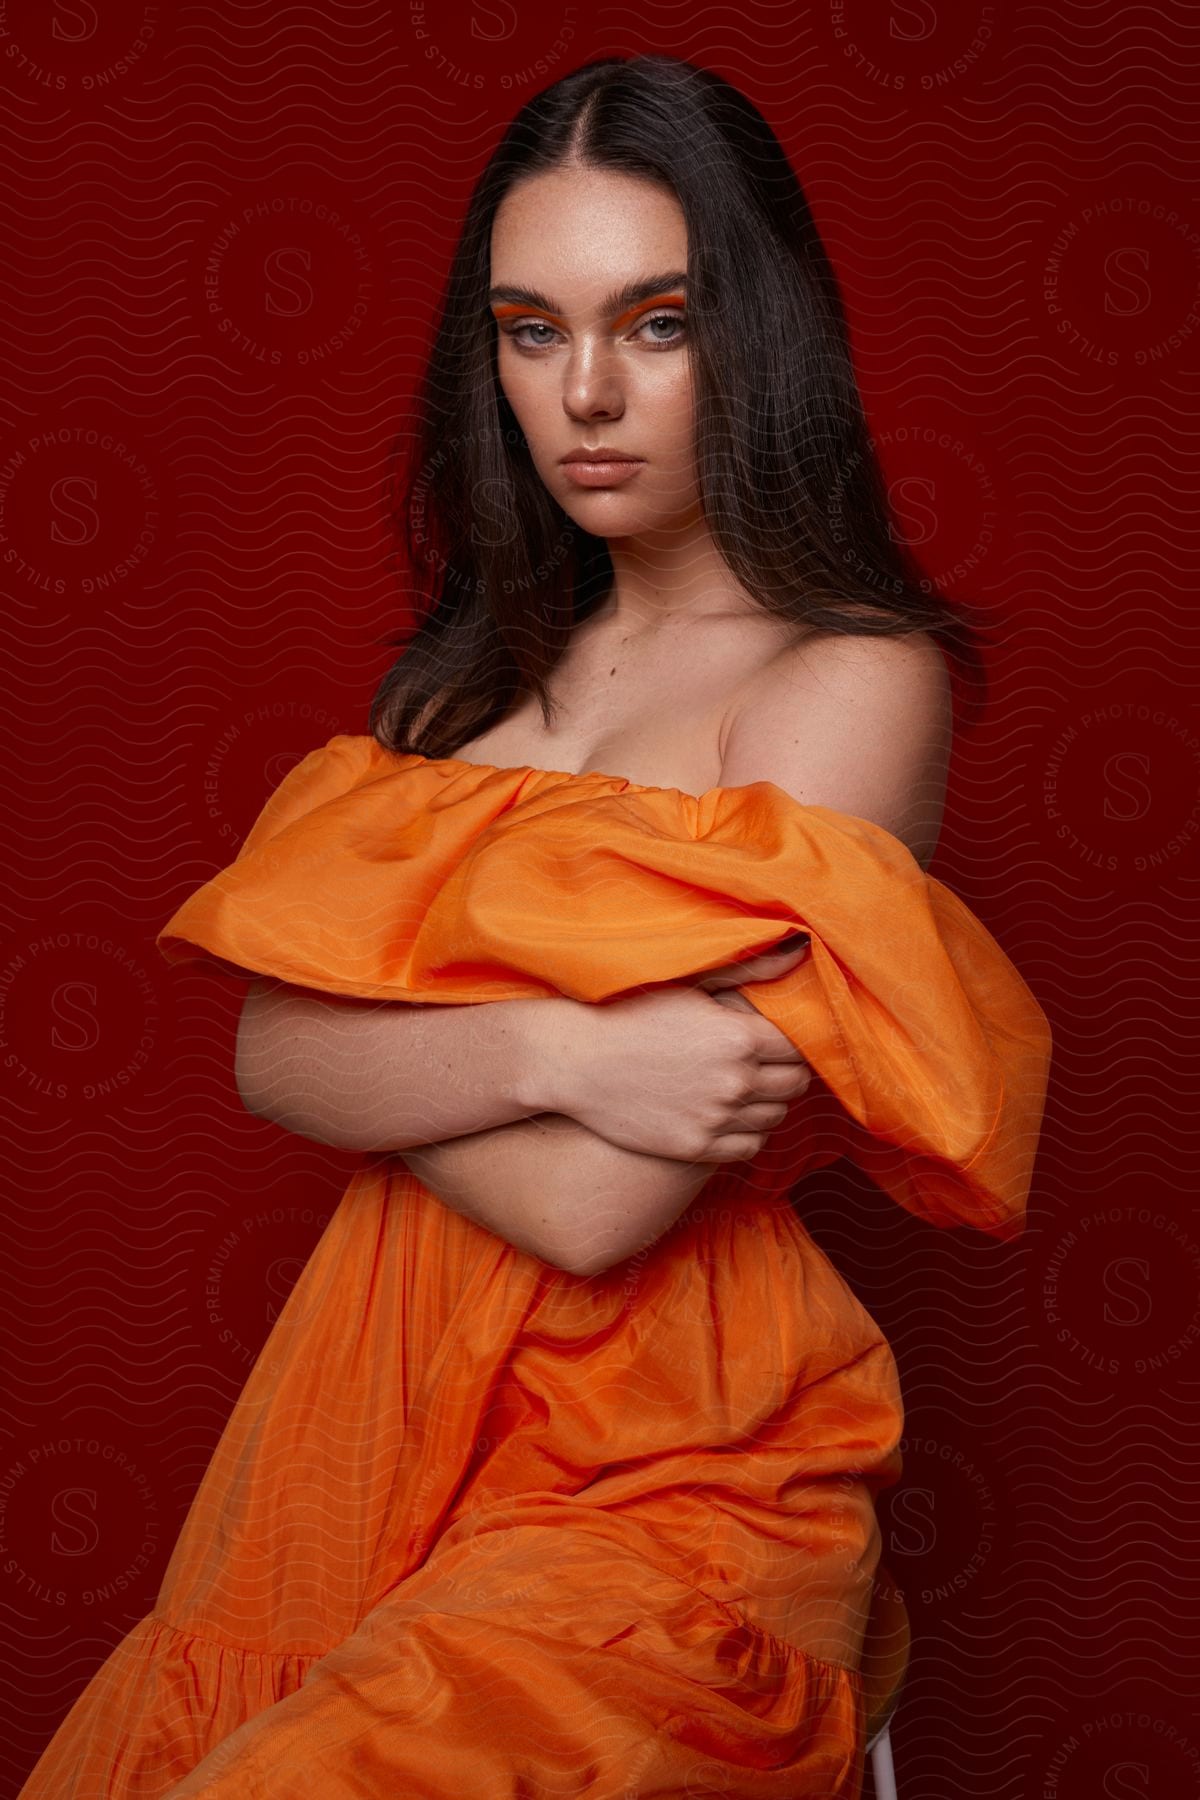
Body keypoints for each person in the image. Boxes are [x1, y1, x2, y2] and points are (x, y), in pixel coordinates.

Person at [20, 53, 1051, 1799]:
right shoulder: (463, 693)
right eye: (529, 328)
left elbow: (598, 1201)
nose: (585, 392)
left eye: (656, 322)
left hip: (665, 1470)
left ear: (760, 333)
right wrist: (561, 1047)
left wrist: (384, 1063)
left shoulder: (845, 682)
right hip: (361, 1428)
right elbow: (266, 1054)